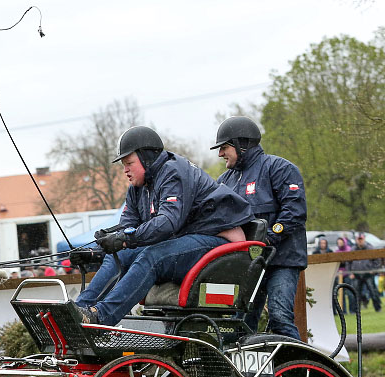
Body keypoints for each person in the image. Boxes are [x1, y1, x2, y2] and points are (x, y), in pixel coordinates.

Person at [75, 126, 253, 326]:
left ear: (146, 158)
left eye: (129, 163)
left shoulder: (173, 173)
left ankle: (102, 316)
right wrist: (97, 250)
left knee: (152, 256)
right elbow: (127, 229)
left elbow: (168, 222)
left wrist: (126, 240)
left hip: (218, 242)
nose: (125, 170)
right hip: (187, 241)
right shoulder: (137, 188)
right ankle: (79, 312)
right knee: (121, 254)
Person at [212, 116, 307, 341]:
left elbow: (294, 210)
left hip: (282, 261)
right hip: (249, 264)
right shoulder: (225, 180)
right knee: (240, 324)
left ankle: (299, 372)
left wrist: (271, 237)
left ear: (241, 144)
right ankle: (248, 374)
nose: (220, 154)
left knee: (280, 318)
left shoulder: (280, 168)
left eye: (224, 147)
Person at [346, 233, 381, 313]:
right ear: (356, 240)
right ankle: (356, 310)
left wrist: (374, 270)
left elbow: (377, 260)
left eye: (361, 239)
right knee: (355, 293)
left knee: (373, 291)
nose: (360, 241)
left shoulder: (370, 248)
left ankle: (378, 308)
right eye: (358, 239)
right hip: (356, 274)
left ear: (364, 239)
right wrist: (350, 273)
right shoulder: (353, 249)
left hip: (368, 273)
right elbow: (348, 262)